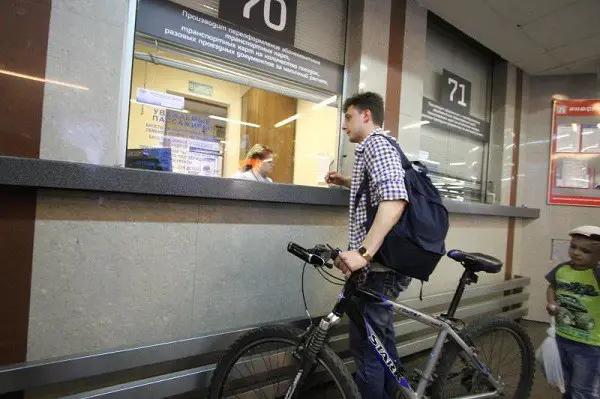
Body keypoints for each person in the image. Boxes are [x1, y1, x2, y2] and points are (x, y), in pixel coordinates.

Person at [325, 92, 411, 399]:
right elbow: (379, 186)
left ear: (366, 116)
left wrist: (364, 253)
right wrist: (346, 181)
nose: (344, 125)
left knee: (366, 349)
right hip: (383, 265)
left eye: (348, 117)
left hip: (379, 266)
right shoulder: (377, 147)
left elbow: (394, 199)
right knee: (381, 342)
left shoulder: (376, 144)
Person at [546, 225, 600, 399]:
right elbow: (552, 287)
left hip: (590, 344)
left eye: (586, 251)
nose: (577, 253)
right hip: (563, 336)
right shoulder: (562, 269)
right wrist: (551, 302)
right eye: (573, 247)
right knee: (566, 385)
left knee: (582, 389)